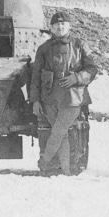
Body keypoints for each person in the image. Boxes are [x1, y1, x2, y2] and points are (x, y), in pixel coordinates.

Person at [29, 12, 98, 176]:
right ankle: (66, 170)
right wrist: (36, 101)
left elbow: (92, 69)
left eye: (63, 24)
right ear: (51, 28)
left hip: (73, 98)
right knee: (62, 134)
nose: (60, 27)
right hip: (50, 99)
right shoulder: (44, 49)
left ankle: (44, 161)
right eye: (56, 25)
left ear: (69, 26)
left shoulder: (79, 45)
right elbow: (36, 77)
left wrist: (77, 77)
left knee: (58, 131)